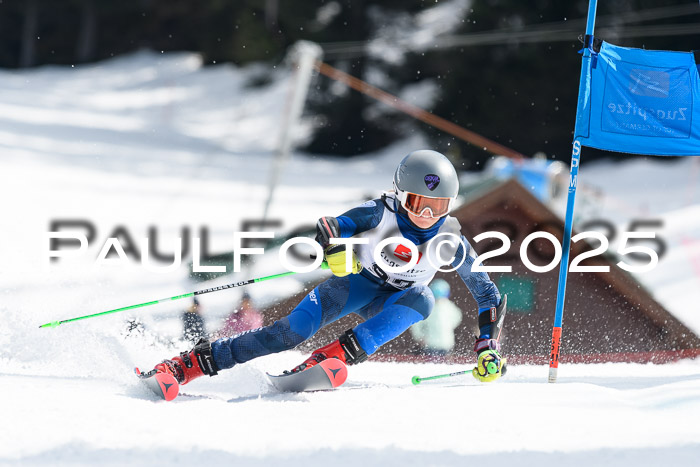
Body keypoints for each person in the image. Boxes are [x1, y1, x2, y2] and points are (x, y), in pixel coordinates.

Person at [150, 150, 507, 386]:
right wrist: (334, 248)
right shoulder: (380, 212)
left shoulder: (450, 240)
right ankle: (190, 364)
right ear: (400, 195)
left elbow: (487, 295)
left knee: (423, 298)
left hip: (395, 302)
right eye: (418, 203)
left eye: (438, 206)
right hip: (355, 284)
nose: (427, 215)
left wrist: (488, 345)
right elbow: (331, 226)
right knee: (288, 333)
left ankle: (329, 358)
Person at [409, 279, 462, 359]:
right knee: (431, 362)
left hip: (446, 344)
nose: (439, 299)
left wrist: (448, 327)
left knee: (444, 363)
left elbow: (457, 317)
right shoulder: (427, 306)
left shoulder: (448, 306)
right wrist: (419, 336)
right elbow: (416, 323)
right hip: (430, 344)